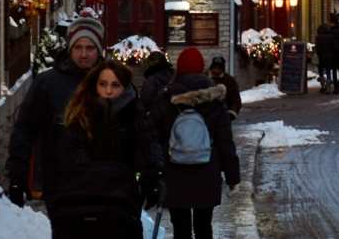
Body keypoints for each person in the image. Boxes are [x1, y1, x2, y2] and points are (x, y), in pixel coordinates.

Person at [7, 13, 105, 207]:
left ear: (99, 50)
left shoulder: (112, 82)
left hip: (104, 184)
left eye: (90, 48)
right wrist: (18, 176)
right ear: (70, 49)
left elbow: (136, 128)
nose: (83, 54)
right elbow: (24, 130)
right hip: (60, 183)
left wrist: (150, 172)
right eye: (78, 47)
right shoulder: (48, 83)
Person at [53, 59, 155, 238]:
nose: (108, 91)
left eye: (115, 85)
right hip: (82, 205)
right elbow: (66, 156)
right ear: (95, 85)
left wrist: (151, 178)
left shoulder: (135, 116)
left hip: (122, 206)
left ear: (125, 87)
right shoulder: (80, 116)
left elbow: (147, 150)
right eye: (103, 84)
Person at [151, 47, 241, 239]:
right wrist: (233, 177)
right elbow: (225, 142)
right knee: (203, 226)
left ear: (179, 68)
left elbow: (154, 137)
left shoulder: (166, 98)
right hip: (207, 172)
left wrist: (155, 170)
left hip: (174, 173)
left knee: (180, 228)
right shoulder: (215, 100)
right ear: (202, 68)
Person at [314, 19, 335, 93]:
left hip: (321, 56)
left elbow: (317, 48)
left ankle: (322, 86)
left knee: (321, 71)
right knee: (328, 70)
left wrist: (318, 53)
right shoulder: (331, 36)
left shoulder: (318, 37)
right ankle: (329, 86)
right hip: (329, 56)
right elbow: (333, 46)